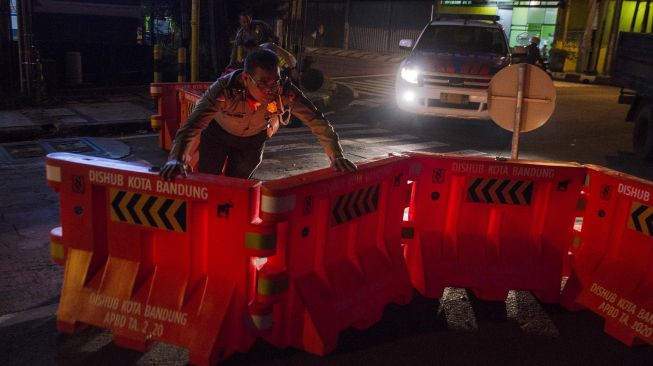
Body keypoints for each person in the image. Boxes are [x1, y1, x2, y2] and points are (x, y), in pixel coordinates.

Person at [160, 49, 357, 181]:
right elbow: (193, 124)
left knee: (238, 187)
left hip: (252, 143)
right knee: (208, 181)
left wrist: (336, 156)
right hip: (217, 136)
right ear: (246, 78)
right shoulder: (224, 89)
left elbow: (316, 120)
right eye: (263, 83)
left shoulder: (284, 91)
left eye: (275, 82)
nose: (271, 90)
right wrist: (176, 158)